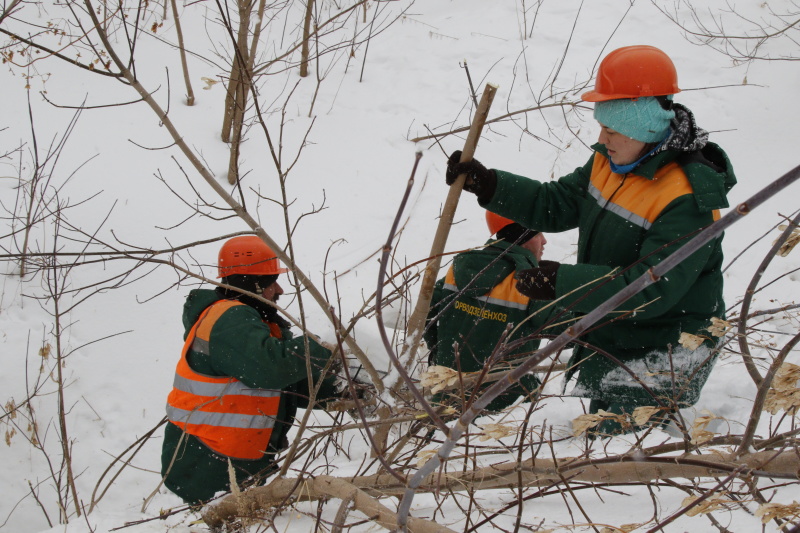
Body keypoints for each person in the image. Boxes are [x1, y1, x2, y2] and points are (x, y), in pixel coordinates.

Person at [445, 45, 736, 435]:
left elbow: (650, 289)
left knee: (623, 461)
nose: (602, 138)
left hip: (663, 346)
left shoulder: (686, 199)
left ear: (644, 126)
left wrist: (560, 283)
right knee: (597, 435)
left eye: (611, 130)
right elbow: (558, 202)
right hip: (616, 326)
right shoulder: (613, 160)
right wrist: (491, 184)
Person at [161, 235, 338, 504]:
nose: (279, 290)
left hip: (227, 461)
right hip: (206, 467)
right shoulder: (228, 319)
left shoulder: (254, 326)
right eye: (271, 282)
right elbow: (270, 369)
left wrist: (341, 391)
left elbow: (286, 384)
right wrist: (322, 346)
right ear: (253, 284)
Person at [424, 211, 554, 412]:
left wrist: (440, 354)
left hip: (447, 399)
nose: (544, 241)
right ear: (522, 238)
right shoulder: (528, 281)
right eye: (537, 234)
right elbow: (568, 329)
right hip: (503, 411)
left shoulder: (459, 268)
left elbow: (425, 314)